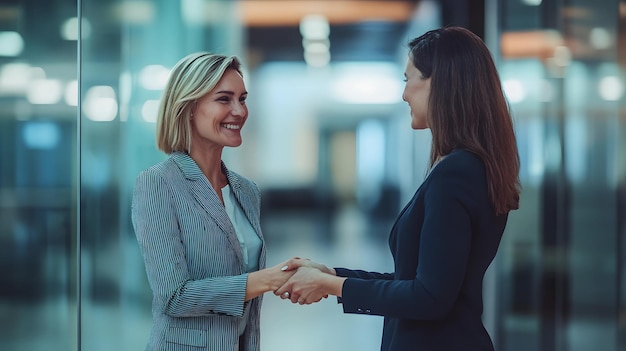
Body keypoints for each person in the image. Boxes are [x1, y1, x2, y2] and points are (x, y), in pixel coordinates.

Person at [275, 26, 521, 351]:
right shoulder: (467, 167)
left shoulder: (457, 173)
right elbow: (417, 281)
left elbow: (429, 298)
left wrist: (331, 285)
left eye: (408, 79)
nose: (404, 94)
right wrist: (331, 274)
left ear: (441, 82)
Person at [131, 52, 294, 351]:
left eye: (242, 99)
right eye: (224, 99)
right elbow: (173, 296)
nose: (239, 111)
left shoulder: (246, 190)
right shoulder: (158, 183)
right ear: (189, 107)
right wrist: (267, 280)